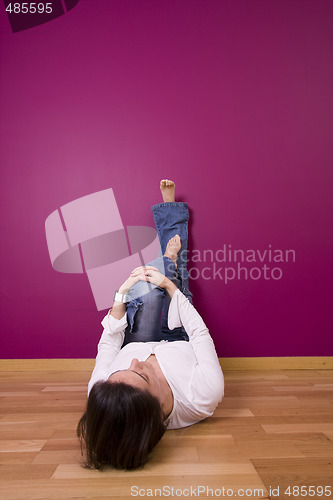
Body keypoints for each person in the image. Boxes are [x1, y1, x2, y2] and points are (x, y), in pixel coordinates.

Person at [77, 180, 224, 470]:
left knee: (145, 290)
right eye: (142, 377)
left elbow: (110, 341)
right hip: (179, 332)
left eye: (121, 373)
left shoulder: (101, 391)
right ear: (156, 411)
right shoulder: (203, 396)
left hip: (139, 335)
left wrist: (120, 293)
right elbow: (199, 332)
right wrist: (171, 287)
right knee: (161, 286)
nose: (134, 363)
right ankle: (170, 262)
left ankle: (168, 261)